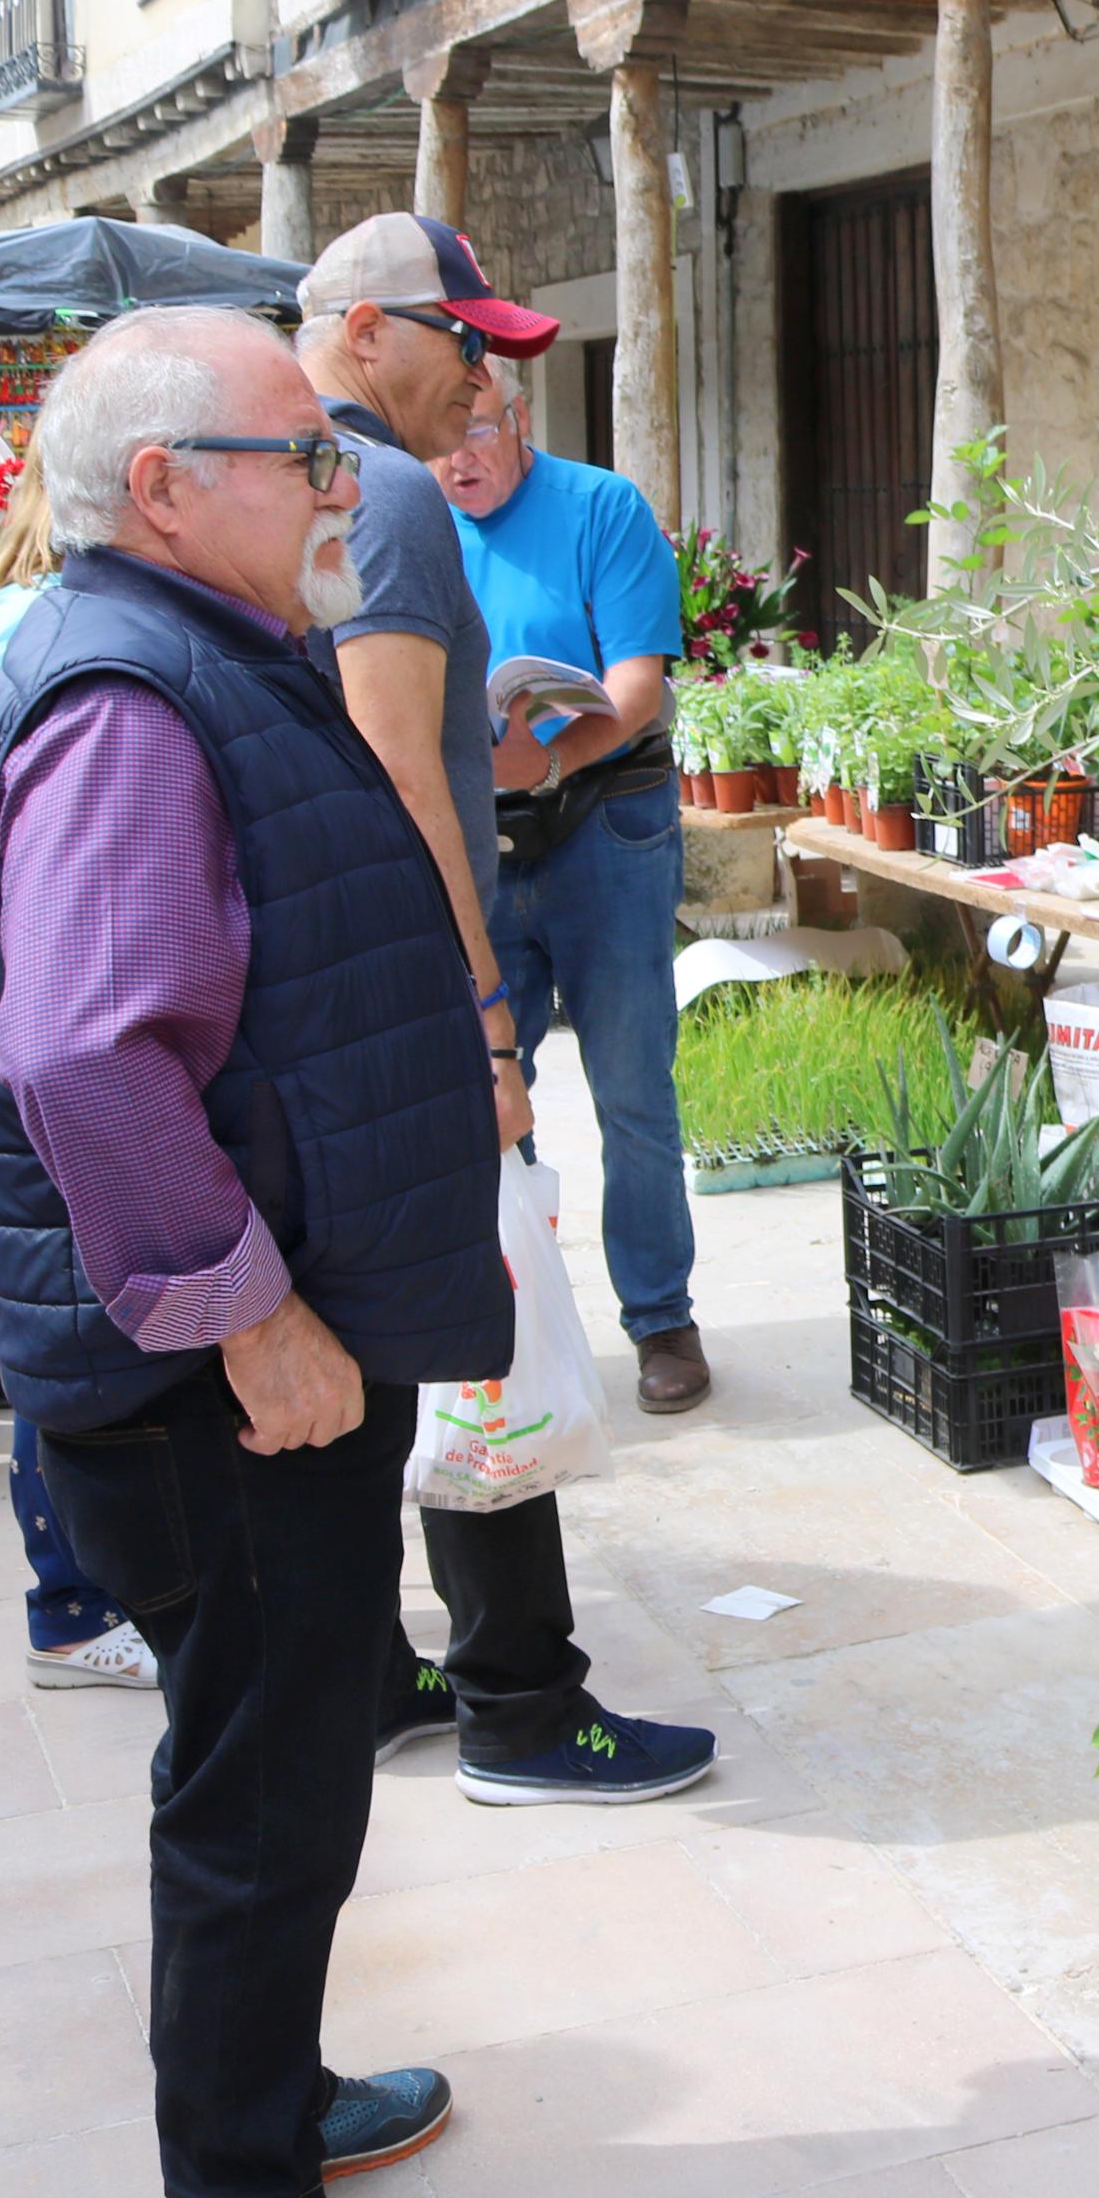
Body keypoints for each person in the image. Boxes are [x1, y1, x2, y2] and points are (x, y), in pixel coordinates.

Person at [0, 304, 490, 2198]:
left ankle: (272, 2086)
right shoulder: (129, 697)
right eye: (301, 457)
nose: (338, 489)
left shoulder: (197, 655)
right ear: (162, 487)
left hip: (245, 1352)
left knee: (288, 1747)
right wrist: (249, 1316)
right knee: (260, 1776)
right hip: (217, 1382)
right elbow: (90, 1056)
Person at [293, 213, 715, 1810]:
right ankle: (519, 1705)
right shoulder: (376, 495)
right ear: (368, 334)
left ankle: (388, 1668)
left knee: (620, 1110)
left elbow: (621, 695)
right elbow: (406, 773)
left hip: (515, 878)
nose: (477, 379)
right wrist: (479, 1020)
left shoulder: (302, 495)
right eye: (459, 340)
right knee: (469, 1337)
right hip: (417, 963)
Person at [430, 359, 708, 1411]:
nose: (461, 456)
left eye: (481, 429)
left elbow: (638, 682)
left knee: (634, 1084)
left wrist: (542, 758)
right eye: (443, 436)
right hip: (472, 833)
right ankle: (519, 1322)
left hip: (603, 823)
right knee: (496, 1092)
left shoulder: (599, 504)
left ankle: (660, 1318)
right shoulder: (408, 519)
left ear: (520, 417)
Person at [0, 463, 157, 1695]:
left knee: (64, 1317)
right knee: (70, 1324)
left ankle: (76, 1594)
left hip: (28, 1002)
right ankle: (71, 1603)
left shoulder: (18, 622)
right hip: (52, 1016)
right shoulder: (54, 640)